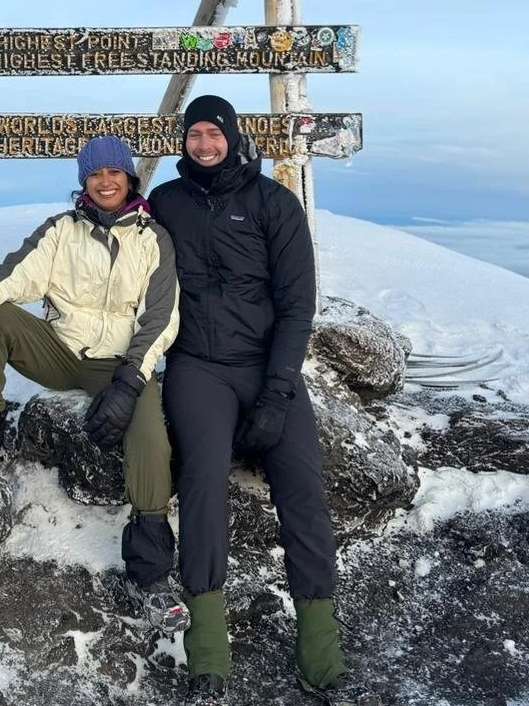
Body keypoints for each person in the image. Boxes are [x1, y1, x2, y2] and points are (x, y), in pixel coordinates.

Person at [0, 135, 189, 634]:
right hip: (60, 351)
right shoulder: (61, 230)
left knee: (151, 437)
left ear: (129, 178)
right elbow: (16, 273)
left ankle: (152, 575)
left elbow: (161, 318)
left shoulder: (153, 239)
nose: (106, 181)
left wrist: (132, 381)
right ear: (84, 183)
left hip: (118, 363)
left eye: (115, 173)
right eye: (95, 174)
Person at [149, 96, 346, 704]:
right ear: (184, 141)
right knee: (203, 481)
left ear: (234, 137)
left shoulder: (274, 203)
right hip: (197, 367)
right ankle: (208, 653)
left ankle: (322, 657)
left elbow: (296, 304)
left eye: (214, 133)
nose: (204, 143)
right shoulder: (166, 204)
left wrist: (278, 393)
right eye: (195, 134)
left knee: (304, 491)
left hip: (265, 366)